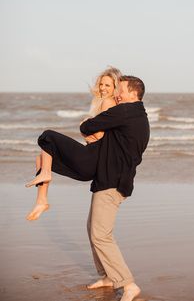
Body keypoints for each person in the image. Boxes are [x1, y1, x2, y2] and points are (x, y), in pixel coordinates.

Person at [80, 75, 150, 301]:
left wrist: (90, 129)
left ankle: (128, 284)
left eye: (120, 90)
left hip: (112, 181)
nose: (117, 94)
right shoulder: (140, 116)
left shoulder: (125, 111)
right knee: (93, 228)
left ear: (133, 93)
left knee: (101, 235)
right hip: (115, 179)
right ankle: (108, 276)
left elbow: (88, 125)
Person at [25, 66, 122, 221]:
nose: (103, 88)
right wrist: (89, 133)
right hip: (92, 162)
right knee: (41, 158)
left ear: (115, 88)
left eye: (107, 85)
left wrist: (85, 125)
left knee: (47, 137)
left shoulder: (108, 103)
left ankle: (45, 175)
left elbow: (99, 134)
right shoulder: (106, 102)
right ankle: (41, 201)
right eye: (101, 84)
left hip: (91, 159)